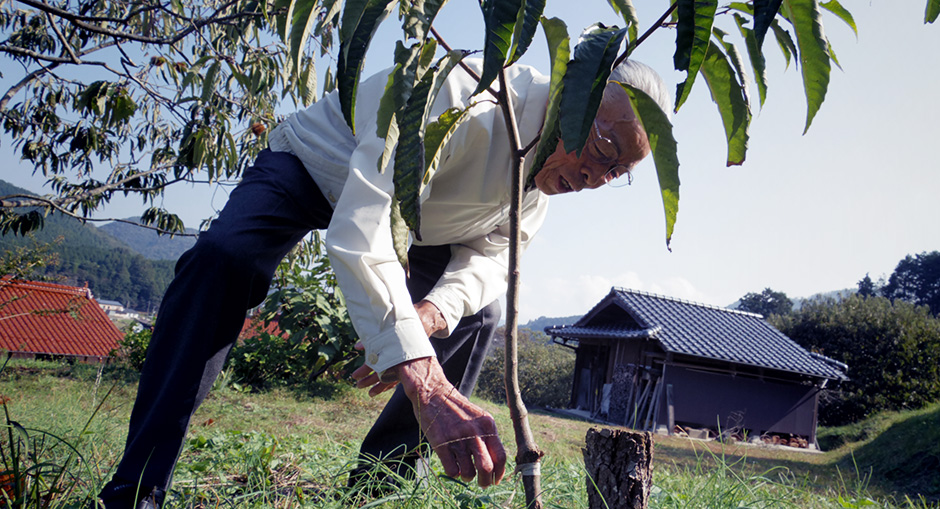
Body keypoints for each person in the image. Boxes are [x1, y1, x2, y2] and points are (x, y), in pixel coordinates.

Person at [98, 58, 669, 509]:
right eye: (603, 149)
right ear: (573, 94)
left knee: (479, 314)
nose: (596, 178)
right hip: (317, 165)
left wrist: (428, 316)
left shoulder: (541, 187)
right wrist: (421, 375)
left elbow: (493, 255)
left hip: (420, 223)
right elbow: (365, 227)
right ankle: (137, 487)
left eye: (616, 174)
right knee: (224, 258)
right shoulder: (462, 93)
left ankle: (375, 490)